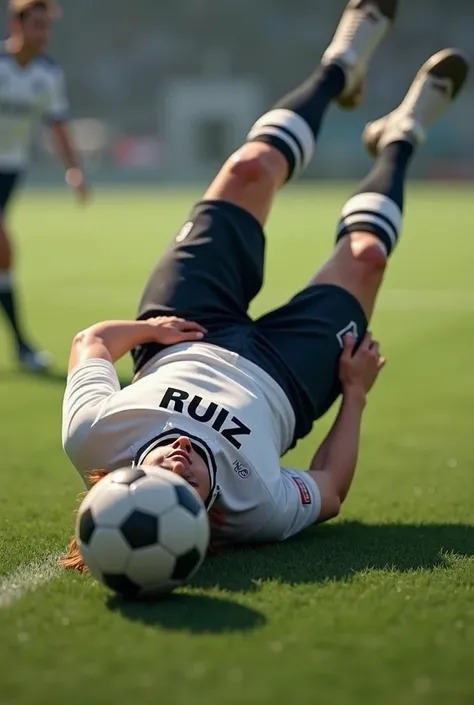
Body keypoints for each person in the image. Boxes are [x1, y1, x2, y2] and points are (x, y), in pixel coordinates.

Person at [61, 0, 469, 567]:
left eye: (156, 470)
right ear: (207, 513)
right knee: (368, 254)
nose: (177, 458)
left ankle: (340, 66)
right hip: (286, 381)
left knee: (249, 169)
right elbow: (329, 490)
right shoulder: (258, 510)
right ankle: (401, 137)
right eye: (186, 484)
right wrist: (354, 395)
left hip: (183, 329)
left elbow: (92, 343)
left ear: (123, 478)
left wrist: (146, 328)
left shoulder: (94, 438)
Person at [0, 0, 88, 373]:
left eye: (47, 27)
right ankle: (22, 345)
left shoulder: (48, 74)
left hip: (10, 171)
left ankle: (21, 347)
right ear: (16, 25)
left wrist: (74, 169)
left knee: (2, 259)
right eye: (36, 25)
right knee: (3, 252)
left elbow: (58, 124)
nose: (43, 34)